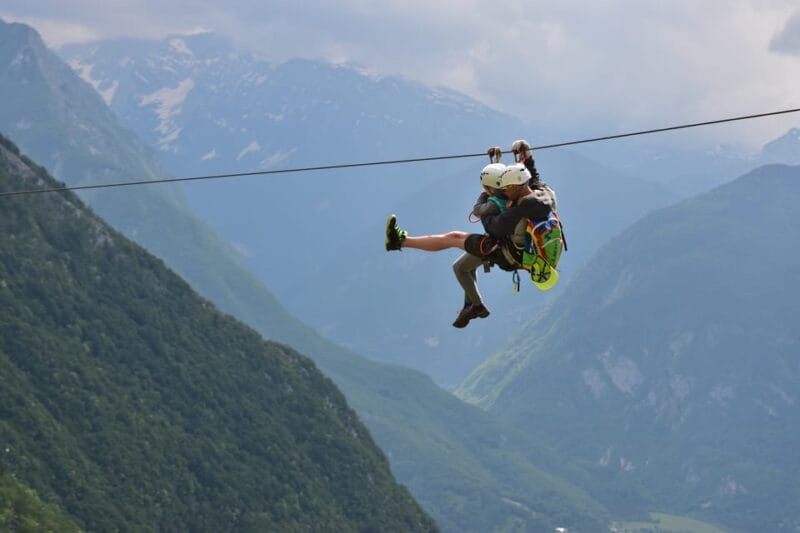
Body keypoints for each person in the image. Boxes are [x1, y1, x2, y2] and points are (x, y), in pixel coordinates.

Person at [385, 140, 561, 328]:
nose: (505, 191)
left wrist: (487, 197)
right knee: (461, 266)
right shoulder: (544, 194)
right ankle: (472, 305)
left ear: (516, 188)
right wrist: (527, 158)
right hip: (518, 251)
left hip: (506, 254)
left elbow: (491, 227)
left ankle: (399, 241)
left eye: (506, 188)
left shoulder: (516, 210)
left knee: (454, 238)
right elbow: (533, 179)